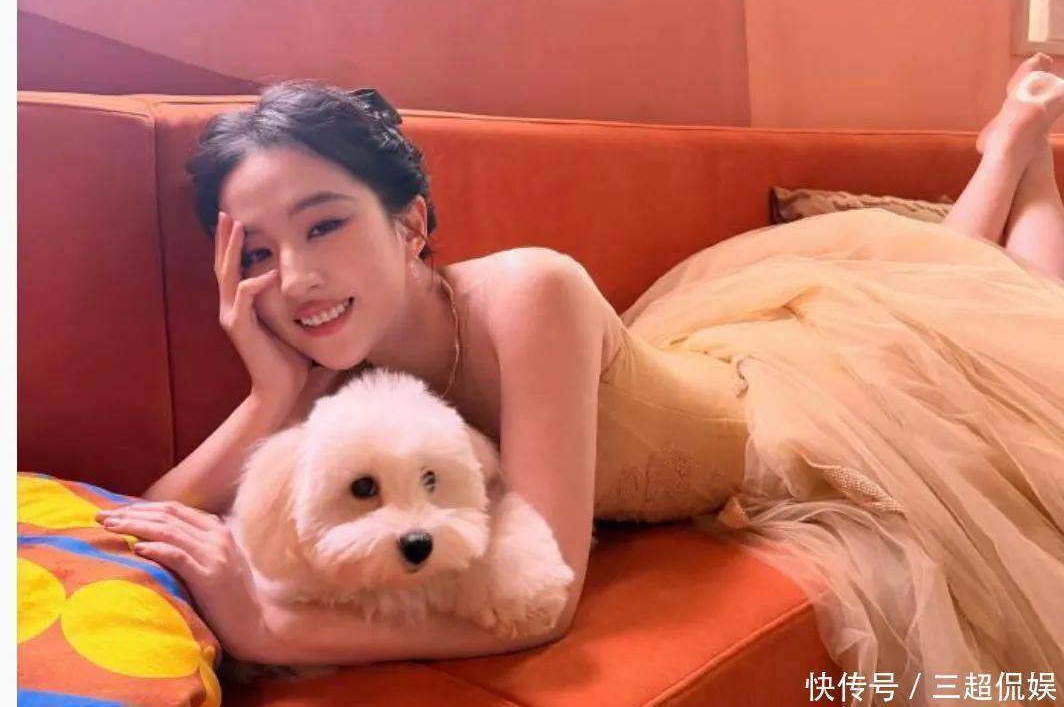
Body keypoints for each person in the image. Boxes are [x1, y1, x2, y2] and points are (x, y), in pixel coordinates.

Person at [94, 57, 1064, 698]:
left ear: (411, 223)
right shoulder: (327, 360)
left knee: (1009, 303)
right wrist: (268, 392)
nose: (297, 277)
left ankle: (1022, 153)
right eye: (257, 252)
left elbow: (545, 598)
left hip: (785, 417)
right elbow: (126, 520)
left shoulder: (532, 291)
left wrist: (273, 624)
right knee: (950, 279)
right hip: (687, 365)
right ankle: (1017, 161)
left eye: (323, 224)